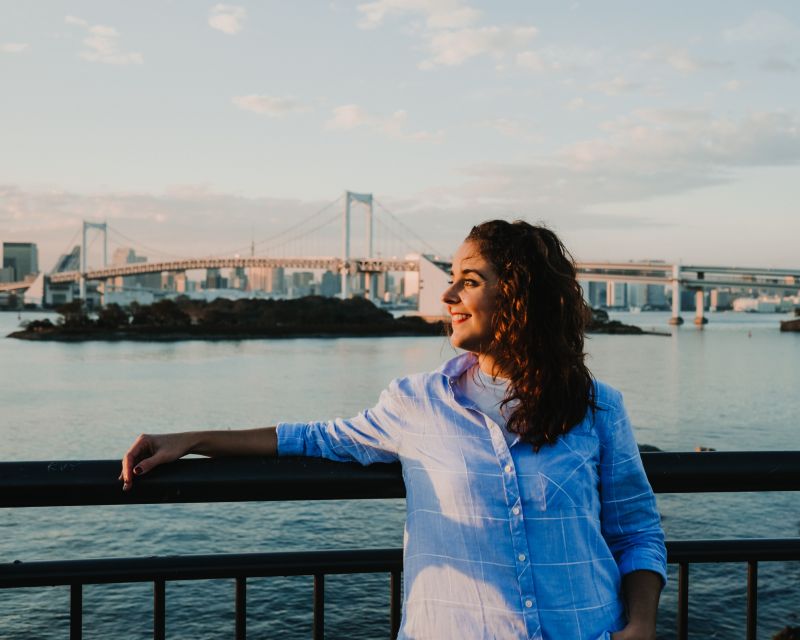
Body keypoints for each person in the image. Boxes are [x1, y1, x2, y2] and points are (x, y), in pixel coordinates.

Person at [120, 220, 667, 640]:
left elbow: (636, 531)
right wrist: (191, 440)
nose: (447, 297)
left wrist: (640, 625)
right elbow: (311, 437)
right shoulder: (417, 403)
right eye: (449, 282)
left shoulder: (597, 407)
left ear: (521, 295)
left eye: (468, 282)